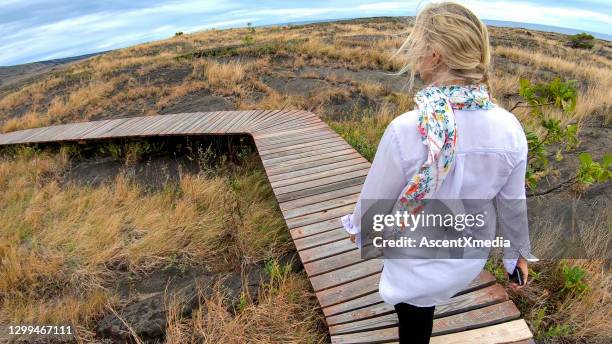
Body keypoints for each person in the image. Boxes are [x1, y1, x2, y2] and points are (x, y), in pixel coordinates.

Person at [340, 2, 536, 343]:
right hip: (467, 260)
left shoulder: (408, 129)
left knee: (414, 312)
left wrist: (358, 230)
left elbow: (374, 207)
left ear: (434, 55)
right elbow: (512, 204)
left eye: (417, 42)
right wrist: (514, 256)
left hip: (417, 265)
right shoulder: (510, 128)